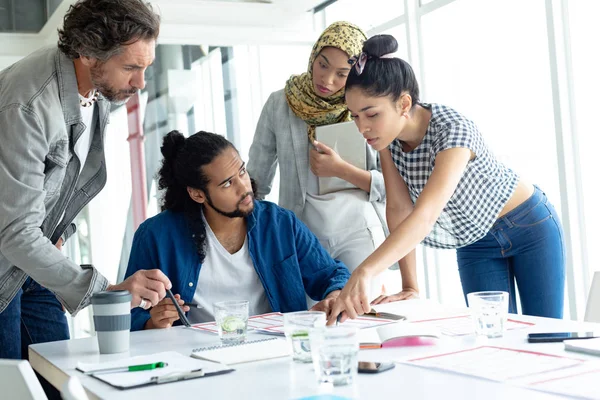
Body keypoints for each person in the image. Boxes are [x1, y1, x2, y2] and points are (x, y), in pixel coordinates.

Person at [329, 34, 565, 323]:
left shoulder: (452, 131)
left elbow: (426, 215)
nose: (362, 127)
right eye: (354, 116)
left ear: (404, 103)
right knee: (491, 335)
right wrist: (409, 285)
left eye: (371, 114)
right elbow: (400, 209)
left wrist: (365, 271)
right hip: (475, 241)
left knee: (545, 332)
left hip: (528, 225)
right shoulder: (387, 140)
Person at [0, 0, 173, 363]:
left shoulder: (98, 90)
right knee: (14, 385)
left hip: (36, 258)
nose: (140, 83)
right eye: (130, 67)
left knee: (59, 377)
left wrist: (56, 227)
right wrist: (107, 291)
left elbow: (53, 183)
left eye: (146, 67)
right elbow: (15, 231)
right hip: (7, 260)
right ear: (90, 54)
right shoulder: (28, 103)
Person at [124, 130, 351, 331]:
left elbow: (332, 275)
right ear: (197, 194)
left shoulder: (280, 224)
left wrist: (334, 297)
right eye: (227, 183)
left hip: (275, 351)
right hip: (197, 358)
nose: (244, 187)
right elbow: (128, 313)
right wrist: (152, 322)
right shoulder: (155, 236)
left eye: (242, 172)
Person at [248, 22, 394, 299]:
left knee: (358, 318)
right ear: (313, 57)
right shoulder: (280, 104)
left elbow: (391, 187)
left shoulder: (366, 108)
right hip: (300, 237)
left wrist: (341, 170)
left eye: (342, 74)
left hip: (358, 231)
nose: (327, 80)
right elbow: (256, 178)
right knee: (307, 322)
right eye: (322, 65)